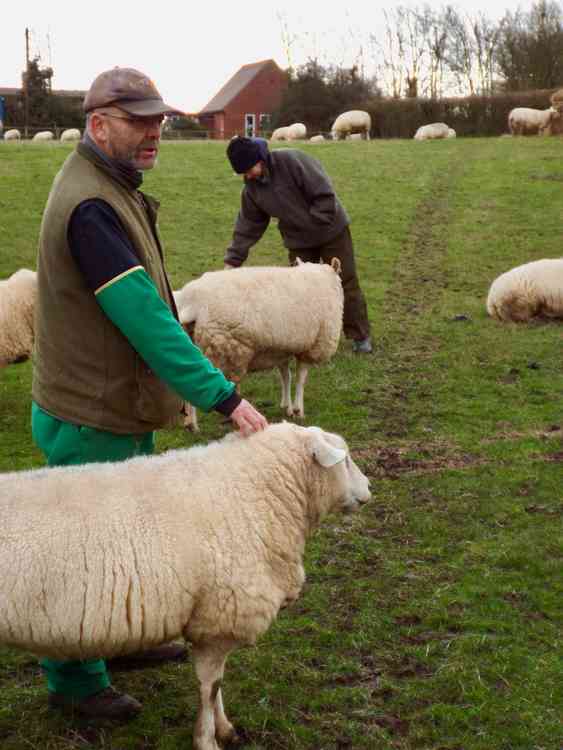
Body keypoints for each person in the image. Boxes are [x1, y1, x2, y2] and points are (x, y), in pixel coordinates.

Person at [31, 67, 268, 721]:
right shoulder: (92, 206)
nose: (153, 130)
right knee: (82, 550)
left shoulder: (110, 186)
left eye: (157, 118)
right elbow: (146, 320)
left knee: (119, 535)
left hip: (108, 402)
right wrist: (225, 397)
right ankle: (74, 681)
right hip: (91, 409)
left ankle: (115, 640)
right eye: (138, 119)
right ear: (98, 123)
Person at [224, 136, 372, 353]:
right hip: (298, 240)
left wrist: (315, 223)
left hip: (331, 231)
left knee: (344, 282)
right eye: (242, 173)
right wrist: (233, 260)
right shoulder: (252, 190)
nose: (247, 175)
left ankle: (360, 336)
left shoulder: (292, 161)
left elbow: (323, 193)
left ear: (260, 158)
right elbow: (248, 225)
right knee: (300, 290)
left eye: (249, 169)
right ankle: (308, 339)